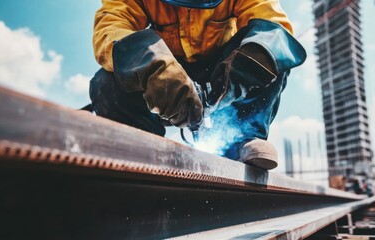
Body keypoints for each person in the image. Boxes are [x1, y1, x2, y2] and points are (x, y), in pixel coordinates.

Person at [88, 0, 306, 170]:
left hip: (221, 72)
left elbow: (274, 30)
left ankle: (241, 140)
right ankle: (142, 146)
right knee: (106, 82)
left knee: (269, 55)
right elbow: (112, 27)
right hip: (164, 80)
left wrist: (240, 74)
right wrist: (151, 68)